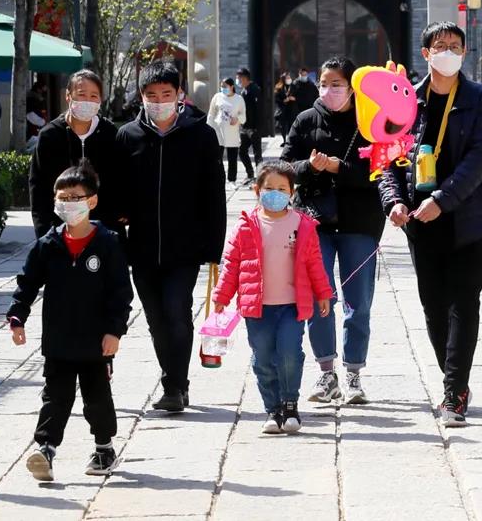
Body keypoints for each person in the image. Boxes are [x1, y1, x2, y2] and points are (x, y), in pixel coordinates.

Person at [379, 21, 482, 428]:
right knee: (433, 307)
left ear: (464, 53)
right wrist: (394, 201)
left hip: (470, 220)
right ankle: (454, 377)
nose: (447, 51)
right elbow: (388, 158)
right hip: (421, 222)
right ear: (425, 53)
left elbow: (480, 160)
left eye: (454, 45)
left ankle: (454, 391)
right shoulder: (407, 101)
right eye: (439, 45)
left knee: (463, 303)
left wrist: (443, 200)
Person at [7, 161, 133, 483]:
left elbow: (121, 293)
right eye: (62, 198)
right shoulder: (47, 245)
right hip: (59, 340)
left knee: (97, 398)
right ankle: (45, 448)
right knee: (55, 397)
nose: (68, 204)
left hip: (96, 341)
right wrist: (18, 316)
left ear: (91, 201)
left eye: (75, 197)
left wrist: (114, 331)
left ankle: (104, 446)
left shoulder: (108, 243)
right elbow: (28, 282)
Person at [115, 59, 226, 412]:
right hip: (143, 246)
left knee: (177, 311)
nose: (159, 100)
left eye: (166, 93)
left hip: (185, 246)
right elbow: (118, 192)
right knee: (155, 318)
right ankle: (172, 377)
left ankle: (176, 386)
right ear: (141, 97)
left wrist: (214, 246)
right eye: (151, 95)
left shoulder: (201, 135)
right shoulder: (127, 136)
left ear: (179, 95)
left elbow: (214, 194)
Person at [282, 56, 384, 406]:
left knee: (359, 303)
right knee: (319, 299)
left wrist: (340, 167)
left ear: (352, 86)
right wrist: (309, 168)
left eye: (336, 84)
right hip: (315, 223)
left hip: (360, 222)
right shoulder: (306, 120)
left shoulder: (370, 121)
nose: (329, 90)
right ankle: (327, 372)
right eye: (324, 83)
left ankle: (354, 373)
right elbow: (284, 167)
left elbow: (379, 170)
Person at [213, 160, 332, 434]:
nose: (275, 193)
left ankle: (290, 403)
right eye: (269, 188)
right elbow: (231, 264)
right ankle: (272, 408)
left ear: (292, 192)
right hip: (257, 308)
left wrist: (323, 292)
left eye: (282, 188)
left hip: (292, 305)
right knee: (263, 358)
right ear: (257, 190)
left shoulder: (302, 225)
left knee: (290, 353)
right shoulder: (245, 226)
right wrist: (222, 296)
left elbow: (314, 262)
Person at [29, 71, 121, 239]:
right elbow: (39, 187)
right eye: (81, 94)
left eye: (94, 96)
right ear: (68, 96)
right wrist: (43, 231)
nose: (87, 101)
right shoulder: (50, 135)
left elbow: (119, 182)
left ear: (101, 99)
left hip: (104, 233)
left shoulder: (110, 134)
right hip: (60, 232)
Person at [207, 77, 246, 183]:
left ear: (232, 86)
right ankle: (218, 179)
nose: (222, 88)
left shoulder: (239, 99)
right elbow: (211, 113)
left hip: (232, 133)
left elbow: (243, 116)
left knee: (232, 159)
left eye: (225, 86)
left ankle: (232, 180)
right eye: (221, 86)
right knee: (217, 158)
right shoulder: (217, 97)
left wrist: (237, 119)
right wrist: (209, 127)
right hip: (218, 132)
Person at [236, 67, 263, 182]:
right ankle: (250, 174)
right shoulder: (243, 91)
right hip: (244, 127)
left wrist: (257, 127)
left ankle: (260, 177)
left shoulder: (255, 89)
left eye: (239, 78)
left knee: (257, 153)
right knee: (242, 152)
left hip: (254, 128)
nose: (237, 80)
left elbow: (259, 109)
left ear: (245, 78)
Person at [273, 72, 297, 139]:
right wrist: (283, 101)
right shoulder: (278, 87)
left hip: (291, 108)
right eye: (287, 78)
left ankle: (290, 139)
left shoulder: (293, 86)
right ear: (283, 79)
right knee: (282, 125)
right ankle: (284, 140)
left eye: (289, 78)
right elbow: (276, 98)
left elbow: (298, 95)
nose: (289, 79)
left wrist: (294, 98)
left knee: (291, 124)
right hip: (282, 109)